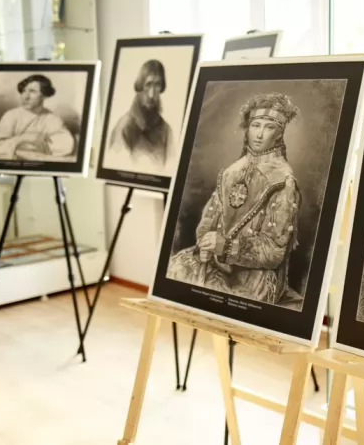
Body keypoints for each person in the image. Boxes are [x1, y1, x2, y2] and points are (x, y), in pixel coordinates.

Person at [167, 92, 301, 306]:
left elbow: (274, 251)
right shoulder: (231, 172)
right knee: (177, 269)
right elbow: (208, 221)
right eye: (255, 125)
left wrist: (226, 246)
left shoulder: (283, 181)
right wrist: (205, 243)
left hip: (255, 274)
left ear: (279, 134)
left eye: (269, 127)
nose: (259, 134)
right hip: (215, 261)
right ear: (248, 128)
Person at [0, 74, 75, 161]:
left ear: (44, 96)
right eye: (23, 91)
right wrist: (24, 138)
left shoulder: (52, 119)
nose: (26, 97)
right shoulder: (11, 116)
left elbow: (66, 146)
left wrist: (23, 149)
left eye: (32, 91)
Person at [106, 59, 175, 172]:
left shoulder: (166, 131)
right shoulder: (124, 128)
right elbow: (115, 170)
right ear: (140, 86)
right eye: (148, 85)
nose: (151, 94)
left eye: (157, 85)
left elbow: (171, 169)